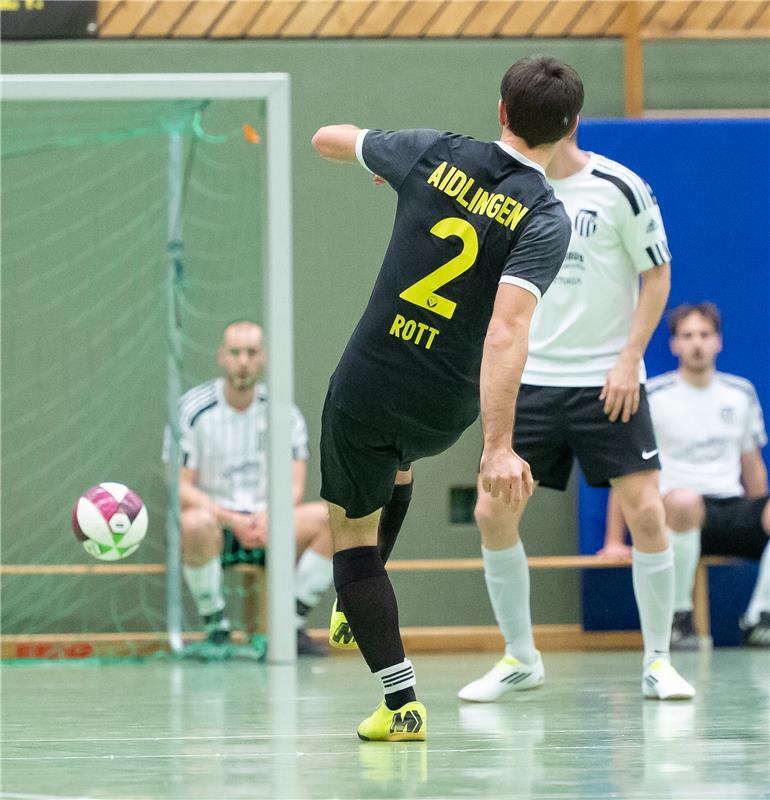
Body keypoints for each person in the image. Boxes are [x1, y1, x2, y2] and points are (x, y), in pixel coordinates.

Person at [312, 55, 582, 741]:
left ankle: (400, 705)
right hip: (445, 408)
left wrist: (381, 162)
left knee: (350, 536)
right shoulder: (547, 217)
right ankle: (361, 595)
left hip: (371, 382)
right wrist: (495, 443)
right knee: (398, 460)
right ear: (568, 128)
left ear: (500, 110)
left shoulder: (434, 154)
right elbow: (507, 330)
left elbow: (327, 137)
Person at [458, 132, 696, 704]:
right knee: (493, 511)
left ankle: (659, 661)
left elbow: (656, 275)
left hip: (608, 382)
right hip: (531, 381)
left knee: (646, 511)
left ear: (567, 120)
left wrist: (628, 359)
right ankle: (520, 657)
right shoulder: (502, 186)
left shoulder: (620, 187)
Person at [601, 303, 770, 648]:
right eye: (687, 335)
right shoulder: (653, 396)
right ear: (674, 344)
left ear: (718, 342)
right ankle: (679, 620)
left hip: (729, 510)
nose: (697, 343)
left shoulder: (740, 394)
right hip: (675, 515)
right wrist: (613, 541)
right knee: (684, 500)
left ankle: (760, 618)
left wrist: (759, 517)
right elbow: (627, 470)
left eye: (705, 335)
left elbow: (752, 465)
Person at [164, 320, 333, 658]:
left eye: (251, 353)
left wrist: (270, 517)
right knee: (194, 522)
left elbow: (295, 485)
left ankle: (290, 625)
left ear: (264, 358)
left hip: (270, 523)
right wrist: (232, 520)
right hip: (218, 526)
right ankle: (216, 629)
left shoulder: (285, 414)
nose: (243, 361)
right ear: (221, 357)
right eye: (236, 352)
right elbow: (178, 486)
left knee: (332, 519)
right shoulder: (192, 411)